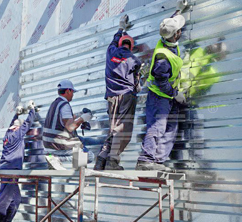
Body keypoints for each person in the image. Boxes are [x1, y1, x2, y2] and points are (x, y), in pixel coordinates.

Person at [135, 11, 187, 171]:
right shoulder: (162, 58)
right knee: (157, 127)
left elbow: (167, 26)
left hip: (168, 98)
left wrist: (178, 12)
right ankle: (145, 160)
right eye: (179, 30)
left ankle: (157, 161)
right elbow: (161, 81)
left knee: (170, 128)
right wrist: (175, 94)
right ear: (176, 34)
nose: (181, 31)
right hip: (160, 96)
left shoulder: (165, 41)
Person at [94, 14, 142, 171]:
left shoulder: (110, 51)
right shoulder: (133, 59)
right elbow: (138, 84)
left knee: (113, 128)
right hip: (126, 96)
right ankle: (112, 161)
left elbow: (114, 40)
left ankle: (101, 160)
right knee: (122, 129)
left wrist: (121, 27)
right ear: (131, 46)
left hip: (111, 97)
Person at [0, 106, 36, 222]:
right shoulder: (16, 135)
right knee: (5, 197)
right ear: (17, 128)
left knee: (15, 199)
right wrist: (32, 110)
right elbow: (27, 123)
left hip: (10, 169)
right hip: (10, 170)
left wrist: (16, 115)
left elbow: (14, 124)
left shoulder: (9, 133)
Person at [43, 79, 94, 169]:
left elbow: (64, 120)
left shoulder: (55, 103)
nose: (73, 94)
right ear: (67, 91)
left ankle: (79, 172)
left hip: (49, 143)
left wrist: (80, 114)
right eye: (72, 92)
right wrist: (83, 119)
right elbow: (70, 127)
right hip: (58, 143)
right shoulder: (65, 105)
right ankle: (57, 159)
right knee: (89, 156)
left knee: (81, 144)